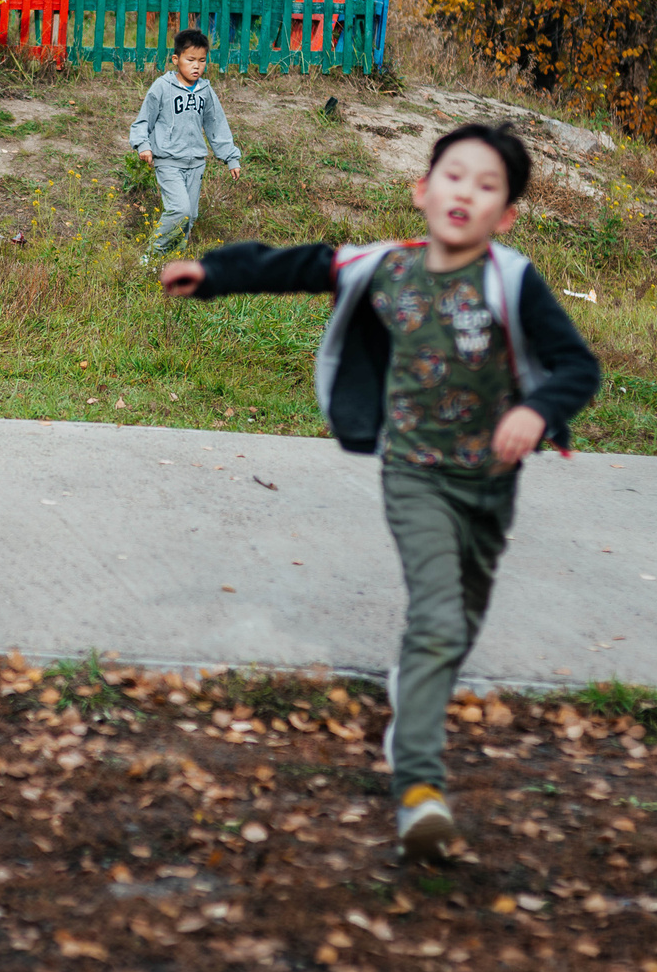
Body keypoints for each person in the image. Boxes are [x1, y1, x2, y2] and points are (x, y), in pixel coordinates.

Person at [156, 123, 600, 864]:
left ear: (508, 214)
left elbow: (576, 366)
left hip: (490, 486)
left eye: (488, 185)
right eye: (454, 175)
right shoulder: (386, 266)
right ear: (422, 189)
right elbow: (296, 265)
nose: (466, 191)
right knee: (434, 614)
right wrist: (216, 272)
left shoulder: (511, 279)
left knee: (457, 624)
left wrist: (537, 409)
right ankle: (420, 785)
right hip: (415, 474)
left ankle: (415, 697)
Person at [128, 28, 242, 254]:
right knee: (180, 210)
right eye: (190, 60)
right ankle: (151, 255)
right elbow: (143, 120)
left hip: (196, 162)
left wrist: (231, 158)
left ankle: (175, 259)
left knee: (190, 217)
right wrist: (143, 145)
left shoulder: (205, 91)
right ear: (176, 59)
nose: (196, 66)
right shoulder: (162, 87)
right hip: (168, 160)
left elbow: (216, 125)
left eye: (202, 61)